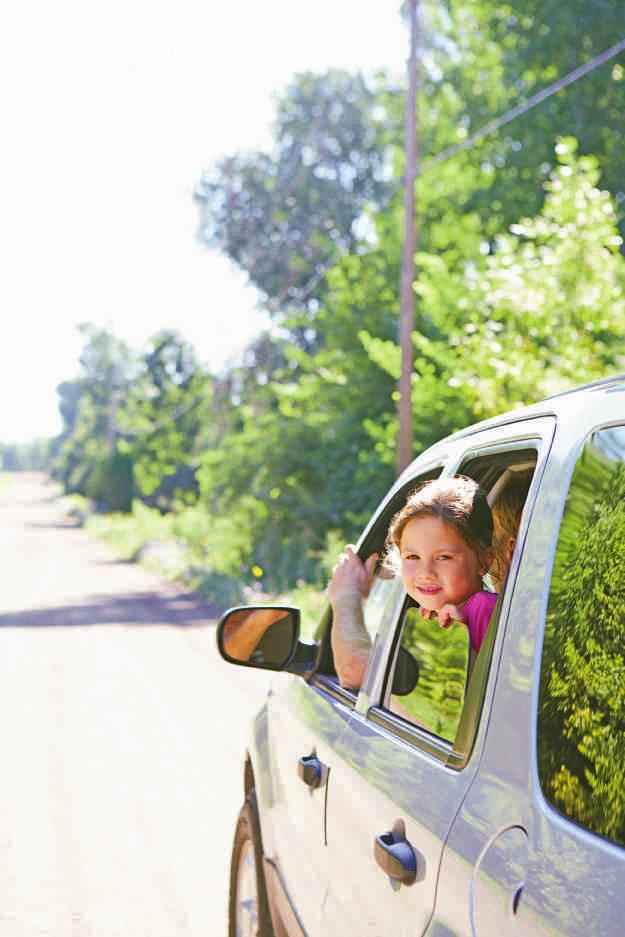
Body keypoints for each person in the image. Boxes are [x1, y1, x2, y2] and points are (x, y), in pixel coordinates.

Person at [329, 476, 496, 690]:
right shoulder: (425, 619)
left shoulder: (484, 608)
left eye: (444, 557)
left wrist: (345, 597)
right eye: (412, 557)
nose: (426, 573)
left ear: (484, 561)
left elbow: (353, 673)